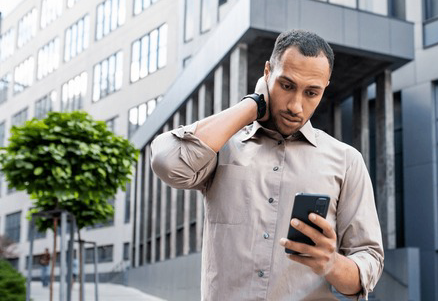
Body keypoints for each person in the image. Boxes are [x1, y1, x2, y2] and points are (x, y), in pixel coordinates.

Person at [151, 29, 384, 300]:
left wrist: (331, 262)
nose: (296, 106)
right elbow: (167, 162)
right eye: (286, 85)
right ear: (267, 72)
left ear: (325, 87)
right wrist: (253, 105)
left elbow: (369, 263)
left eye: (311, 92)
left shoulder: (347, 161)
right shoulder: (222, 146)